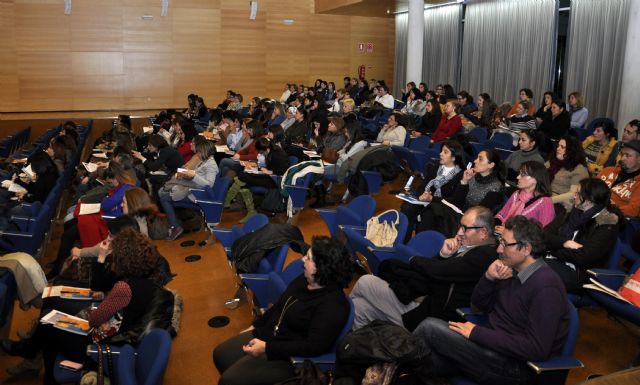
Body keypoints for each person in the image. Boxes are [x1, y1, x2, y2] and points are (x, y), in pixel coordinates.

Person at [412, 216, 569, 385]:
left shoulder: (546, 287)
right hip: (491, 349)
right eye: (500, 242)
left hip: (514, 366)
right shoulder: (511, 270)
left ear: (526, 249)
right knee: (428, 361)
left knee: (429, 328)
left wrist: (477, 333)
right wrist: (489, 278)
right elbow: (479, 307)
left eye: (505, 244)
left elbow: (536, 349)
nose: (499, 249)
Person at [1, 228, 162, 385]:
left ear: (125, 258)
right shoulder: (145, 279)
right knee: (49, 325)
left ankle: (29, 351)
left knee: (47, 324)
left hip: (98, 345)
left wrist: (106, 299)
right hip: (115, 332)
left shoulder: (124, 287)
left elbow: (94, 320)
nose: (114, 258)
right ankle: (38, 363)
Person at [213, 236, 353, 385]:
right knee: (221, 354)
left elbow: (313, 346)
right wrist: (254, 326)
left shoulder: (334, 305)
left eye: (309, 258)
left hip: (289, 357)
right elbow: (280, 305)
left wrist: (266, 348)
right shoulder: (305, 279)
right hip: (271, 335)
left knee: (228, 381)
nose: (303, 259)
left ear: (323, 268)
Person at [350, 206, 498, 331]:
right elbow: (436, 269)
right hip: (419, 301)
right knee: (359, 308)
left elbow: (438, 271)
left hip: (427, 316)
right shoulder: (469, 248)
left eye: (465, 228)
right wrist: (443, 254)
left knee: (365, 281)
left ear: (483, 233)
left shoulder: (485, 255)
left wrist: (413, 259)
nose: (459, 232)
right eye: (460, 226)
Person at [544, 178, 622, 294]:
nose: (574, 196)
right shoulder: (573, 212)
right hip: (555, 259)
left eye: (578, 193)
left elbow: (584, 257)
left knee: (533, 269)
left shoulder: (606, 224)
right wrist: (564, 242)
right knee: (523, 260)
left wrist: (553, 249)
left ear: (590, 199)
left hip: (578, 273)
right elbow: (544, 234)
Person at [414, 149, 505, 238]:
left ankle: (423, 245)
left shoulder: (496, 187)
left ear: (491, 165)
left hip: (470, 222)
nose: (475, 161)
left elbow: (478, 215)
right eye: (477, 157)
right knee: (432, 211)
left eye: (480, 159)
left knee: (433, 212)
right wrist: (464, 181)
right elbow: (456, 201)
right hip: (458, 212)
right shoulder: (472, 177)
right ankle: (423, 244)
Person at [400, 140, 465, 242]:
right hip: (427, 201)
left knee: (429, 214)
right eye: (441, 151)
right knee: (407, 207)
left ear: (454, 157)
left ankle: (419, 243)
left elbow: (454, 200)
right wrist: (423, 194)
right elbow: (422, 186)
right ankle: (403, 241)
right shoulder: (436, 168)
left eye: (445, 152)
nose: (440, 154)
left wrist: (432, 198)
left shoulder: (461, 175)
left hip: (443, 206)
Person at [158, 138, 218, 240]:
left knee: (164, 198)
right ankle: (175, 224)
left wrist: (193, 175)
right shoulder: (206, 161)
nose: (198, 154)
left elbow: (209, 185)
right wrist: (188, 174)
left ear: (204, 151)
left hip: (198, 194)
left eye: (199, 151)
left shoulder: (211, 165)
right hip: (194, 189)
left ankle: (175, 226)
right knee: (165, 193)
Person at [495, 161, 555, 231]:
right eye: (519, 173)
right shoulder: (517, 194)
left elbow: (542, 233)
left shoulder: (545, 202)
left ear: (535, 180)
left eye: (523, 174)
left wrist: (509, 233)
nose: (518, 177)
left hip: (521, 240)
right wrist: (494, 225)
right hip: (502, 233)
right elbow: (502, 214)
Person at [597, 140, 640, 218]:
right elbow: (590, 188)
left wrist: (609, 210)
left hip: (613, 219)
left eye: (627, 155)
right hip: (591, 207)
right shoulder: (607, 170)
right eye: (622, 154)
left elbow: (634, 210)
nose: (622, 158)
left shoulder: (638, 184)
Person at [547, 136, 590, 210]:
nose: (558, 148)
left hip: (561, 204)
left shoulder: (580, 169)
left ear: (571, 151)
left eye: (562, 147)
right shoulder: (553, 161)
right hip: (544, 195)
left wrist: (549, 200)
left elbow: (573, 194)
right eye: (558, 146)